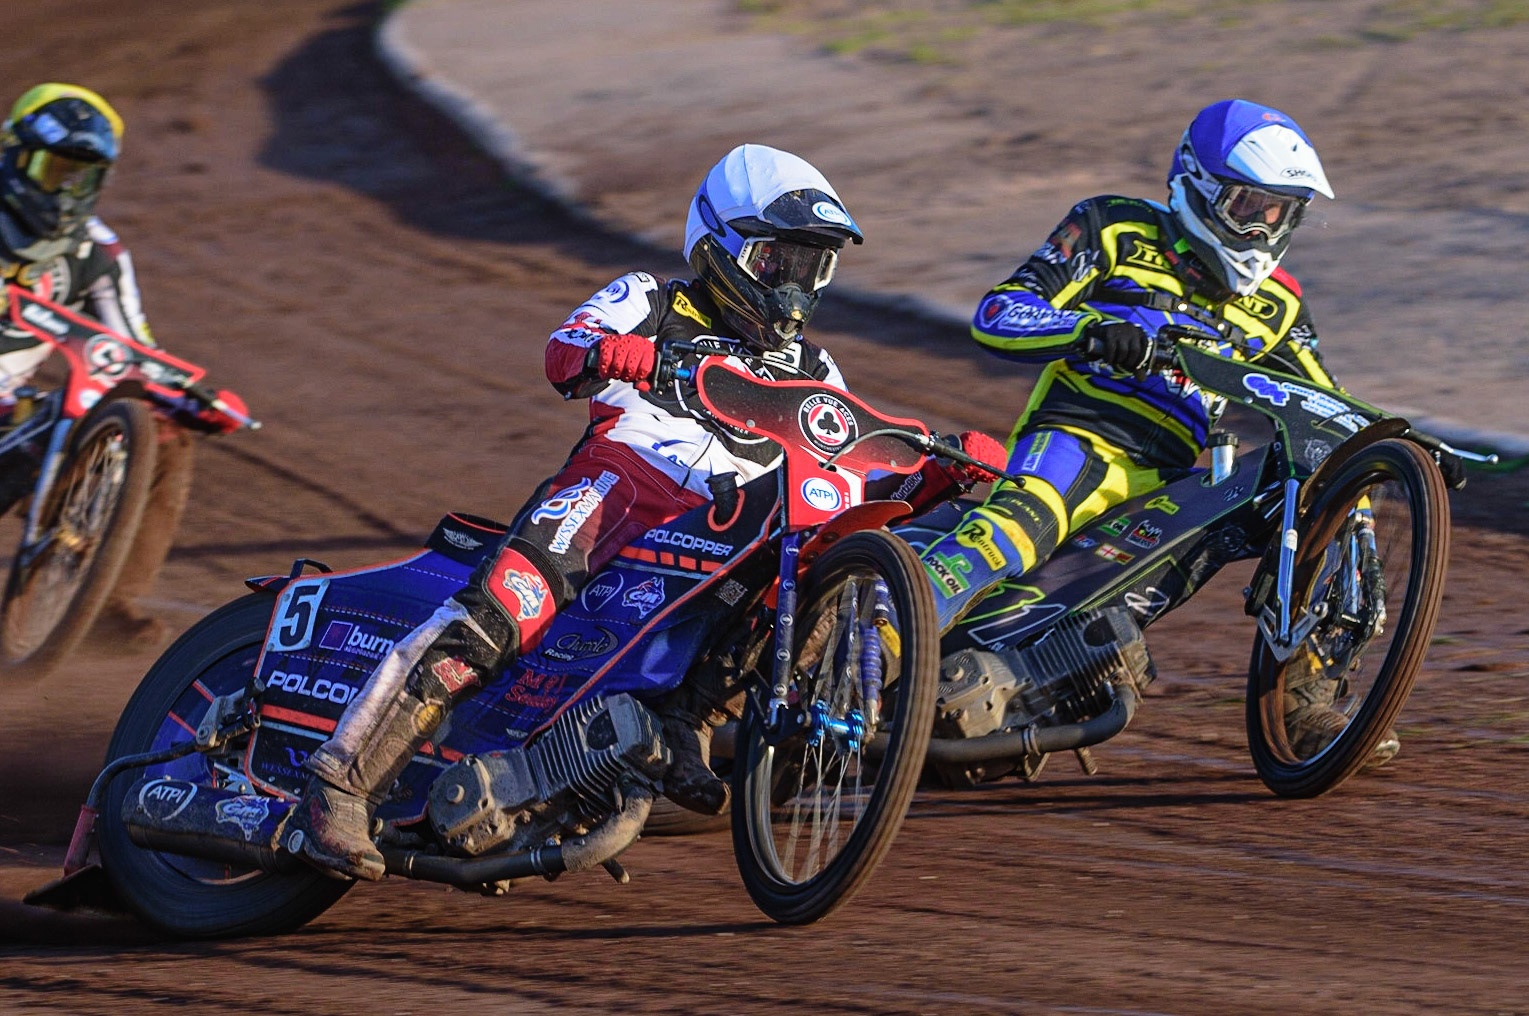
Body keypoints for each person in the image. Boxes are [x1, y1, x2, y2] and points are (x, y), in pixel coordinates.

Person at [287, 144, 1008, 881]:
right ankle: (339, 783)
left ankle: (679, 719)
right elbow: (565, 352)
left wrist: (933, 478)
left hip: (721, 532)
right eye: (775, 263)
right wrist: (627, 355)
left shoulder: (816, 371)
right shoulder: (652, 299)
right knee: (503, 610)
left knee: (805, 566)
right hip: (618, 490)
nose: (792, 289)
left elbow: (842, 476)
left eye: (809, 268)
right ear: (718, 246)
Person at [914, 99, 1441, 763]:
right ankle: (870, 649)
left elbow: (1324, 402)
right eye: (1249, 206)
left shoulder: (1277, 302)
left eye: (1279, 212)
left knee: (1332, 478)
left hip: (1174, 482)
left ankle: (1301, 703)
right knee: (1014, 530)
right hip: (1081, 438)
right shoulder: (1111, 227)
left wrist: (1410, 450)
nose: (1261, 229)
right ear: (1196, 186)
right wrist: (1089, 330)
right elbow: (1000, 311)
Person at [0, 83, 194, 647]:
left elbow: (134, 350)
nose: (64, 190)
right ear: (15, 154)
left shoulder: (97, 252)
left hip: (10, 417)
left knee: (163, 429)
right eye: (53, 168)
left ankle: (103, 606)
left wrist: (185, 395)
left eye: (80, 176)